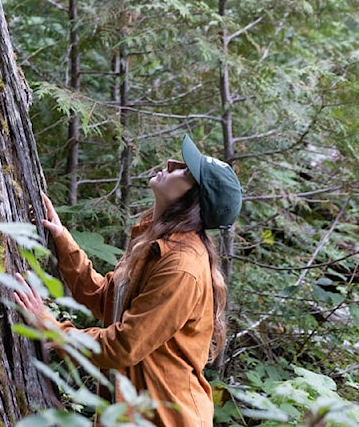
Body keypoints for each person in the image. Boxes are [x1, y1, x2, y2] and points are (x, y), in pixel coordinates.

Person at [13, 135, 242, 426]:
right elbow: (105, 298)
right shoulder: (155, 243)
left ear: (193, 200)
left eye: (184, 171)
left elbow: (125, 345)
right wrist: (61, 239)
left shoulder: (182, 266)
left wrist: (53, 329)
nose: (170, 165)